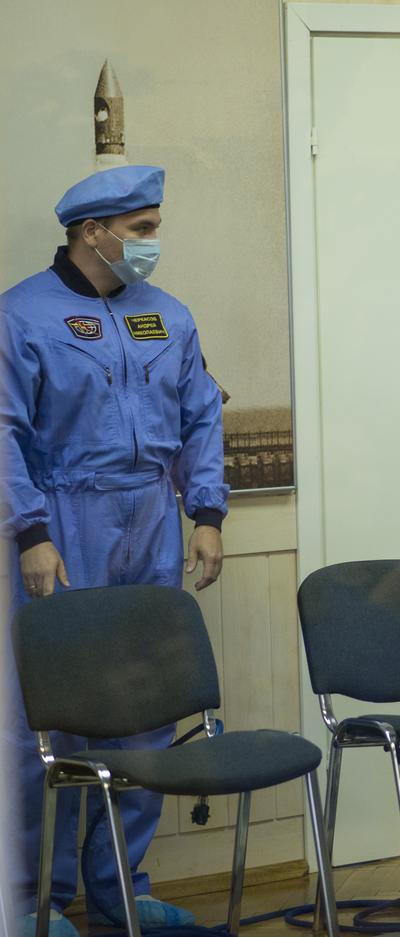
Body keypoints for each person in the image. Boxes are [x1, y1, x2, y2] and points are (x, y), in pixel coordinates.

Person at [0, 165, 228, 936]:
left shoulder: (168, 315)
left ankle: (120, 885)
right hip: (64, 519)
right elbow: (3, 431)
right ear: (92, 232)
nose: (153, 243)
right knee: (54, 718)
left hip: (152, 519)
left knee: (144, 715)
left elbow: (201, 415)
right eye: (142, 231)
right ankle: (38, 897)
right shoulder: (23, 315)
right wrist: (30, 530)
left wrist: (205, 512)